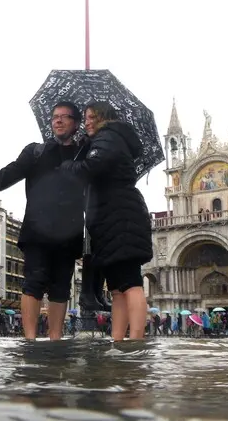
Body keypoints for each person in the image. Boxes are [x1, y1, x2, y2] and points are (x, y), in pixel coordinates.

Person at [0, 101, 88, 341]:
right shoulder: (36, 152)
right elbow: (8, 174)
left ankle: (56, 339)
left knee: (61, 287)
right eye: (54, 116)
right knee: (33, 282)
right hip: (37, 230)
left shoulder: (85, 156)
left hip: (69, 232)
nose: (57, 120)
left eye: (64, 117)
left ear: (76, 123)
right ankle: (29, 339)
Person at [59, 101, 153, 341]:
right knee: (117, 288)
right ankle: (119, 339)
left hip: (121, 216)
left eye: (91, 117)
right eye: (86, 118)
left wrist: (70, 165)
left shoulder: (109, 137)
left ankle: (136, 340)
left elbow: (93, 167)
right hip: (109, 218)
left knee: (131, 283)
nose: (87, 122)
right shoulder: (103, 140)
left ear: (103, 117)